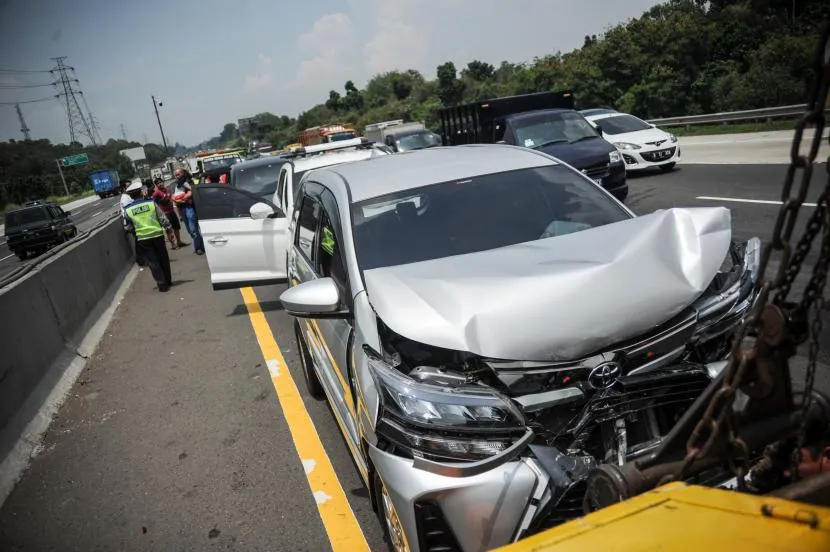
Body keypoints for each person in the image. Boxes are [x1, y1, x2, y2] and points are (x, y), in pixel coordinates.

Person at [123, 181, 173, 292]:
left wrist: (136, 231)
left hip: (143, 239)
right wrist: (169, 229)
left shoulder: (128, 209)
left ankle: (161, 284)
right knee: (163, 258)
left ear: (131, 196)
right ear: (141, 192)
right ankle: (168, 280)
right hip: (157, 235)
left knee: (153, 262)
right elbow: (162, 218)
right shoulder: (151, 203)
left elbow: (127, 227)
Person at [173, 168, 205, 255]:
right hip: (182, 209)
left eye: (178, 174)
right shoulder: (177, 185)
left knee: (193, 229)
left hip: (189, 207)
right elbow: (174, 197)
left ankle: (199, 248)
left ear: (183, 173)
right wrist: (177, 201)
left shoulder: (188, 182)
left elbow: (192, 191)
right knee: (190, 231)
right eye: (175, 175)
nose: (177, 176)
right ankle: (201, 245)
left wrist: (184, 198)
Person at [151, 177, 187, 249]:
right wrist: (162, 199)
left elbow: (171, 198)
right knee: (168, 229)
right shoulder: (156, 193)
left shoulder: (167, 190)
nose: (160, 184)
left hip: (171, 211)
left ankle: (179, 242)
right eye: (158, 183)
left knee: (176, 227)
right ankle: (173, 244)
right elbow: (153, 202)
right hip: (165, 213)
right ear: (156, 185)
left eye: (161, 182)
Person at [120, 179, 146, 267]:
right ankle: (140, 260)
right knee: (139, 241)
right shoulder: (125, 198)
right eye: (128, 186)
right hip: (133, 223)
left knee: (140, 241)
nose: (130, 187)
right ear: (123, 188)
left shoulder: (129, 196)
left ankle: (142, 259)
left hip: (136, 222)